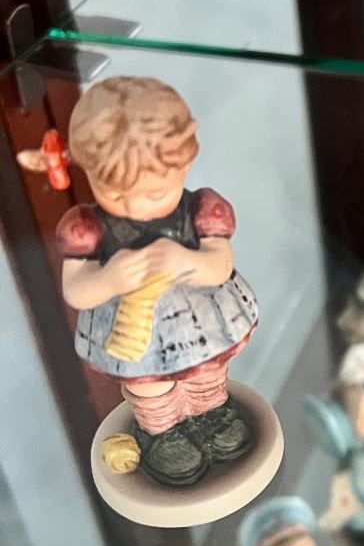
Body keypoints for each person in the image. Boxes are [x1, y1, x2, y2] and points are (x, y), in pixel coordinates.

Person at [57, 77, 258, 487]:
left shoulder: (200, 209)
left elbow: (220, 265)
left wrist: (187, 260)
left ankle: (211, 412)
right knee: (151, 386)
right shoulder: (88, 227)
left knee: (206, 372)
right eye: (115, 194)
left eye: (152, 194)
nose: (134, 206)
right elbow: (75, 288)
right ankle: (163, 430)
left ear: (185, 165)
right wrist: (109, 277)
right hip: (135, 336)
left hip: (198, 322)